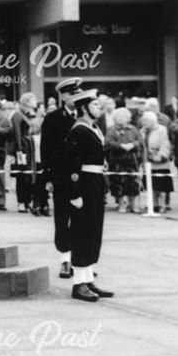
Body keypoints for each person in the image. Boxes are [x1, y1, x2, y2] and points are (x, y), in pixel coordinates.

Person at [62, 87, 114, 302]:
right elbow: (71, 165)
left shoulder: (93, 128)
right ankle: (78, 284)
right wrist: (75, 194)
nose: (98, 108)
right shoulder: (79, 130)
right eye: (94, 105)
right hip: (84, 185)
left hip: (95, 184)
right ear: (83, 108)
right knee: (83, 234)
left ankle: (88, 278)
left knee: (93, 233)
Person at [40, 78, 82, 278]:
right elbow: (46, 150)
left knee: (82, 220)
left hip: (83, 177)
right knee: (62, 218)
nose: (76, 97)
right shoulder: (53, 118)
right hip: (61, 176)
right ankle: (65, 259)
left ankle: (82, 261)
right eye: (72, 94)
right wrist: (48, 177)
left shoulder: (85, 116)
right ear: (63, 97)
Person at [105, 107, 143, 213]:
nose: (121, 119)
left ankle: (133, 205)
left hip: (132, 161)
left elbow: (140, 142)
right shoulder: (111, 130)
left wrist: (133, 145)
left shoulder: (133, 129)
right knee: (118, 183)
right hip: (117, 161)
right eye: (118, 117)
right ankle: (121, 204)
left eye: (123, 117)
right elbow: (107, 144)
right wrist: (120, 146)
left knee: (133, 183)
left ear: (128, 118)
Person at [9, 93, 40, 214]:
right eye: (33, 99)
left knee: (30, 176)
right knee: (22, 176)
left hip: (33, 148)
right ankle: (21, 202)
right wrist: (19, 150)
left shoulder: (33, 114)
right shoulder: (17, 115)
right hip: (23, 148)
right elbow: (17, 133)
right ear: (26, 101)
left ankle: (28, 200)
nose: (35, 101)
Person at [141, 111, 173, 213]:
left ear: (152, 121)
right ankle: (153, 204)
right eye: (143, 121)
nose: (144, 123)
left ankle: (163, 204)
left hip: (160, 162)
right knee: (151, 185)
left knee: (162, 186)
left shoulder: (162, 129)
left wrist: (160, 155)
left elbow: (165, 144)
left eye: (145, 121)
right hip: (148, 162)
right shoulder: (143, 131)